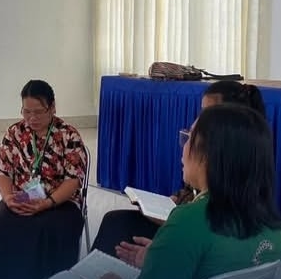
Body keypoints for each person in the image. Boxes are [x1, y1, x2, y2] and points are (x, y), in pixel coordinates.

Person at [37, 104, 281, 279]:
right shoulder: (277, 230)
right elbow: (214, 274)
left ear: (209, 154)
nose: (183, 147)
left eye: (189, 137)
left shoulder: (189, 220)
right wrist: (161, 260)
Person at [90, 80, 266, 257]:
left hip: (194, 232)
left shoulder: (238, 165)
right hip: (190, 225)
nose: (202, 119)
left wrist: (159, 248)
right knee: (116, 221)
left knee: (118, 227)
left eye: (208, 113)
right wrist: (177, 200)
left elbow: (203, 229)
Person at [0, 80, 88, 279]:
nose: (32, 118)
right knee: (3, 220)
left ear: (52, 107)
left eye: (38, 112)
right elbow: (3, 173)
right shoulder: (14, 133)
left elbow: (73, 181)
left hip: (60, 201)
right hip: (23, 198)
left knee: (52, 226)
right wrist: (8, 198)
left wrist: (47, 203)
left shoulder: (68, 135)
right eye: (26, 112)